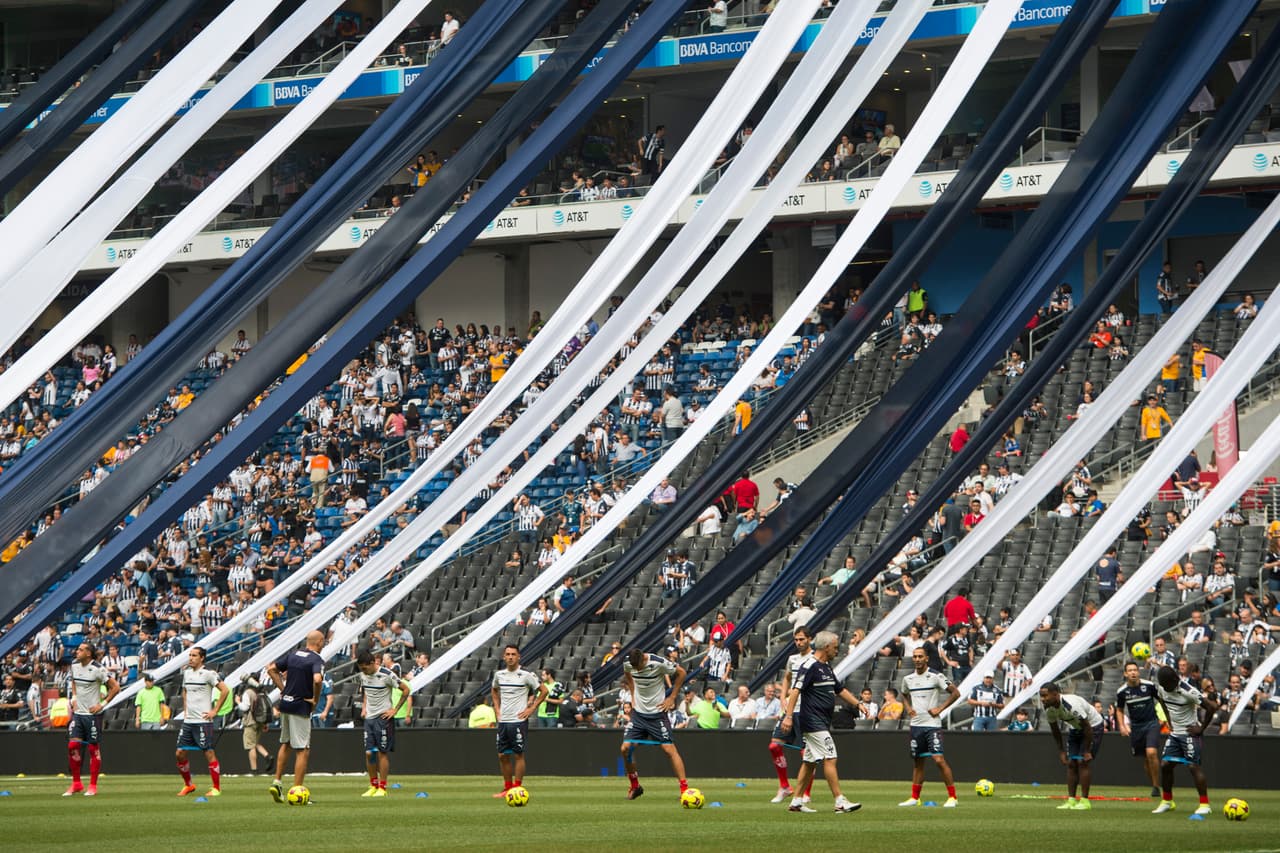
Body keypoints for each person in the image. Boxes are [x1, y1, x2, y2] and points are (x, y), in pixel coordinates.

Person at [779, 630, 862, 814]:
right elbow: (795, 691)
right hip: (812, 720)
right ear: (826, 647)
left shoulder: (825, 667)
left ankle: (797, 802)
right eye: (834, 647)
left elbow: (839, 689)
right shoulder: (809, 666)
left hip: (822, 721)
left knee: (809, 762)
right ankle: (840, 801)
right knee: (830, 757)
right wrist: (789, 716)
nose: (836, 650)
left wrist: (858, 704)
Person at [620, 648, 691, 801]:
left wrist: (672, 697)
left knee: (669, 749)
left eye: (638, 667)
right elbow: (628, 676)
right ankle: (635, 786)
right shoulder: (628, 663)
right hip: (638, 714)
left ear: (642, 660)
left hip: (657, 714)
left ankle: (684, 790)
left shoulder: (658, 663)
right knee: (626, 748)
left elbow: (682, 673)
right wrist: (633, 694)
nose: (636, 670)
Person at [266, 630, 325, 803]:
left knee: (286, 744)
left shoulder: (293, 655)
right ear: (320, 642)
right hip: (300, 706)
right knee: (303, 750)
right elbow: (317, 679)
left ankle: (277, 781)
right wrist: (314, 700)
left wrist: (283, 690)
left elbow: (271, 669)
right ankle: (297, 791)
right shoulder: (316, 659)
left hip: (286, 704)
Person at [898, 647, 960, 807]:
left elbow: (955, 693)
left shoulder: (936, 676)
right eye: (915, 657)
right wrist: (908, 707)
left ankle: (952, 797)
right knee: (918, 763)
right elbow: (903, 694)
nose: (917, 659)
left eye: (920, 657)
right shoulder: (908, 679)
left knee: (938, 759)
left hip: (932, 725)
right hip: (916, 726)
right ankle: (914, 797)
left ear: (926, 658)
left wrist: (940, 708)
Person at [1153, 665, 1216, 815]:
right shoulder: (1162, 688)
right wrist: (1169, 720)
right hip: (1175, 734)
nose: (1165, 688)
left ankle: (1204, 805)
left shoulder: (1189, 691)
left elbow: (1211, 707)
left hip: (1190, 734)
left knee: (1193, 767)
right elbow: (1162, 701)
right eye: (1163, 685)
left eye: (1167, 685)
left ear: (1174, 680)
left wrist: (1201, 729)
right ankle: (1167, 801)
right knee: (1165, 765)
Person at [492, 644, 547, 798]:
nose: (510, 657)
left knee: (518, 754)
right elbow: (494, 690)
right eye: (508, 654)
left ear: (518, 657)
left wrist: (531, 709)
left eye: (513, 654)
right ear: (504, 657)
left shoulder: (526, 675)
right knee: (502, 755)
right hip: (503, 721)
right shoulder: (499, 675)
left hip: (518, 720)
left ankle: (517, 788)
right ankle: (507, 788)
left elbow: (544, 691)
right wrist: (497, 709)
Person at [65, 642, 119, 796]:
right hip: (78, 714)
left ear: (88, 653)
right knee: (72, 745)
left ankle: (92, 786)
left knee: (92, 749)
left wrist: (102, 705)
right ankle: (76, 784)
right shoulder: (74, 665)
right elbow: (74, 682)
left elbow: (115, 687)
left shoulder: (98, 669)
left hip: (92, 715)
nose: (77, 651)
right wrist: (74, 697)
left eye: (81, 649)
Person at [1039, 681, 1104, 810]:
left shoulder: (1071, 705)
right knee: (1071, 763)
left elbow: (1087, 727)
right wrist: (1061, 751)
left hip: (1093, 727)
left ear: (1055, 694)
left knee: (1082, 762)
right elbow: (1055, 730)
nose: (1042, 699)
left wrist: (1086, 750)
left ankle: (1085, 801)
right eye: (1041, 696)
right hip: (1075, 728)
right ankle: (1071, 800)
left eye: (1045, 696)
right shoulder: (1049, 709)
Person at [175, 646, 230, 797]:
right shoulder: (186, 673)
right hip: (189, 721)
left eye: (194, 656)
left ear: (202, 658)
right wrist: (185, 709)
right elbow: (185, 690)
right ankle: (189, 785)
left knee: (209, 752)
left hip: (203, 721)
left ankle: (216, 788)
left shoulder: (208, 674)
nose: (191, 658)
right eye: (190, 655)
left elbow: (225, 690)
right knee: (180, 753)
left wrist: (215, 710)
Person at [767, 626, 814, 804]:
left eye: (802, 639)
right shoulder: (792, 659)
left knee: (806, 754)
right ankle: (785, 786)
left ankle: (805, 793)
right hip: (790, 710)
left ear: (809, 639)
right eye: (796, 640)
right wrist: (782, 697)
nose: (798, 643)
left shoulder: (815, 659)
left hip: (806, 712)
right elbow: (787, 677)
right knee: (774, 746)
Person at [356, 650, 410, 797]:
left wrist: (395, 709)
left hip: (383, 718)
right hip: (369, 718)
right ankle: (373, 785)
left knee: (381, 752)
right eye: (361, 668)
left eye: (365, 668)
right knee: (369, 753)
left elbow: (406, 689)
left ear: (373, 663)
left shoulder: (387, 674)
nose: (363, 671)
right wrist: (364, 707)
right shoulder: (363, 675)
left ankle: (383, 787)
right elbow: (366, 691)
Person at [1115, 661, 1163, 798]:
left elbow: (1162, 701)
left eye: (1135, 670)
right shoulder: (1122, 692)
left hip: (1152, 723)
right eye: (1129, 670)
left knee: (1151, 753)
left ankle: (1156, 786)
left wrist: (1166, 719)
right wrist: (1122, 726)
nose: (1133, 672)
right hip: (1136, 727)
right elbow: (1119, 710)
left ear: (1138, 672)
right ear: (1125, 673)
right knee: (1146, 760)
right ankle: (1154, 783)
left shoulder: (1149, 686)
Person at [238, 674, 274, 773]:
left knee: (250, 746)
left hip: (250, 722)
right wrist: (265, 723)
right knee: (255, 743)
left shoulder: (248, 692)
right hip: (260, 721)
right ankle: (267, 756)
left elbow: (245, 707)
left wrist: (237, 702)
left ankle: (254, 769)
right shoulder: (261, 691)